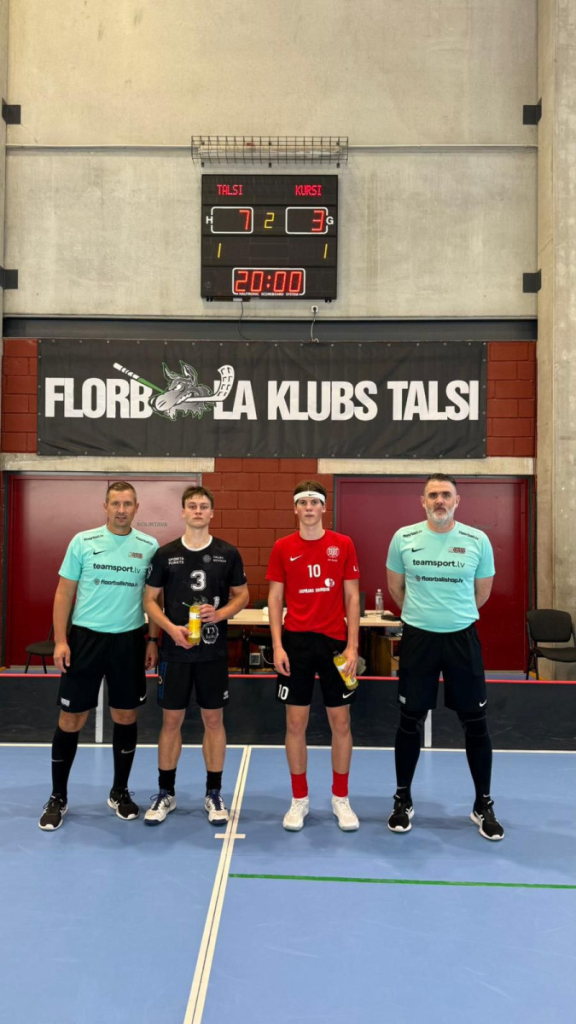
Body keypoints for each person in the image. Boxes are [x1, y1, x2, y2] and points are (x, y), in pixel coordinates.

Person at [386, 473, 504, 840]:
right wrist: (424, 616)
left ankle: (482, 803)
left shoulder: (477, 540)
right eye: (433, 495)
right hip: (418, 639)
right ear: (422, 501)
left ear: (457, 501)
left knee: (476, 723)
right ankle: (403, 799)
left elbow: (481, 593)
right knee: (409, 721)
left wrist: (452, 617)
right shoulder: (403, 538)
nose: (440, 500)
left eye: (446, 495)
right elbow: (396, 588)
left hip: (461, 639)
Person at [38, 482, 159, 831]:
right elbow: (64, 593)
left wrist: (152, 640)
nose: (122, 510)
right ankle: (58, 796)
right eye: (115, 503)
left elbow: (154, 599)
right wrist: (61, 641)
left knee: (125, 715)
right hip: (85, 641)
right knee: (71, 719)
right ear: (104, 506)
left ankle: (119, 791)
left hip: (129, 642)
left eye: (128, 504)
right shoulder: (82, 541)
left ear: (137, 508)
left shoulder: (149, 546)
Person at [142, 486, 248, 827]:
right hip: (175, 651)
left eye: (204, 506)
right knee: (170, 722)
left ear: (212, 513)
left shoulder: (227, 553)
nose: (198, 511)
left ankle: (214, 793)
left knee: (213, 721)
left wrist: (220, 614)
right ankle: (165, 793)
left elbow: (242, 596)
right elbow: (149, 601)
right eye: (192, 506)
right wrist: (168, 630)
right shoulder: (165, 554)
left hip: (213, 652)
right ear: (183, 512)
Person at [267, 480, 361, 832]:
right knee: (295, 724)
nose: (308, 508)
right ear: (295, 508)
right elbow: (275, 598)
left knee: (341, 723)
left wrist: (353, 646)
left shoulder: (343, 544)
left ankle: (341, 798)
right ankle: (299, 799)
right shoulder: (282, 547)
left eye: (314, 502)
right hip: (296, 645)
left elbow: (352, 597)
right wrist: (277, 645)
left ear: (324, 507)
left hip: (335, 644)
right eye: (303, 502)